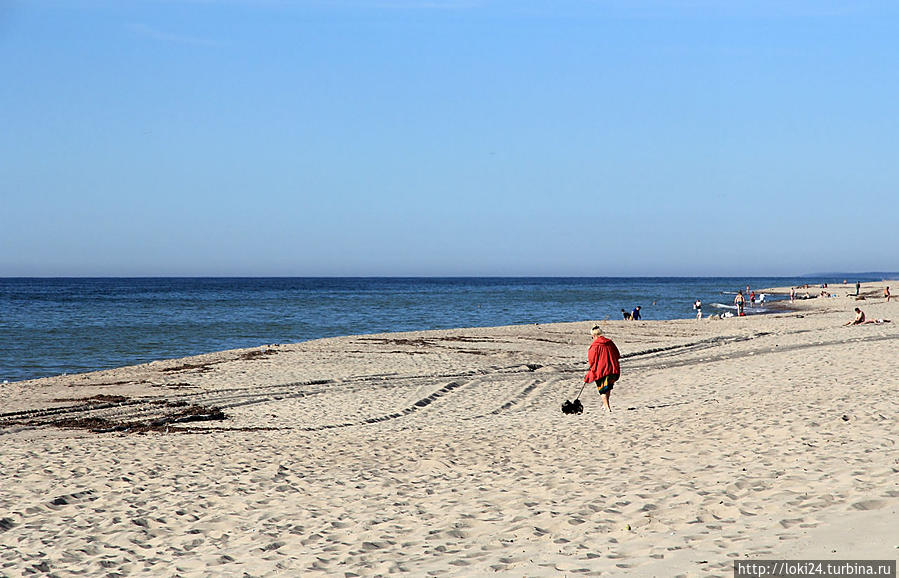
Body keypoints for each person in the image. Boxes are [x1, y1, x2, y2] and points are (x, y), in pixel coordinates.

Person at [584, 325, 621, 413]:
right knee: (608, 388)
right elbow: (617, 354)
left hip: (601, 370)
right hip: (612, 369)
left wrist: (592, 369)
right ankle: (605, 405)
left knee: (602, 390)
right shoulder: (610, 342)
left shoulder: (595, 345)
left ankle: (607, 407)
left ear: (594, 336)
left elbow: (591, 359)